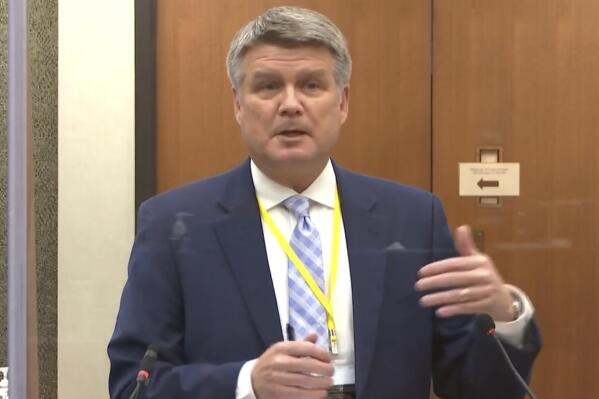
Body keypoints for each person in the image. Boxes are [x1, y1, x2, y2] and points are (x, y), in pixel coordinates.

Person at [108, 6, 541, 399]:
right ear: (238, 105)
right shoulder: (173, 224)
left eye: (311, 85)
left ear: (343, 102)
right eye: (268, 86)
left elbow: (476, 388)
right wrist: (248, 383)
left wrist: (505, 316)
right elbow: (133, 385)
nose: (291, 105)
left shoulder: (412, 219)